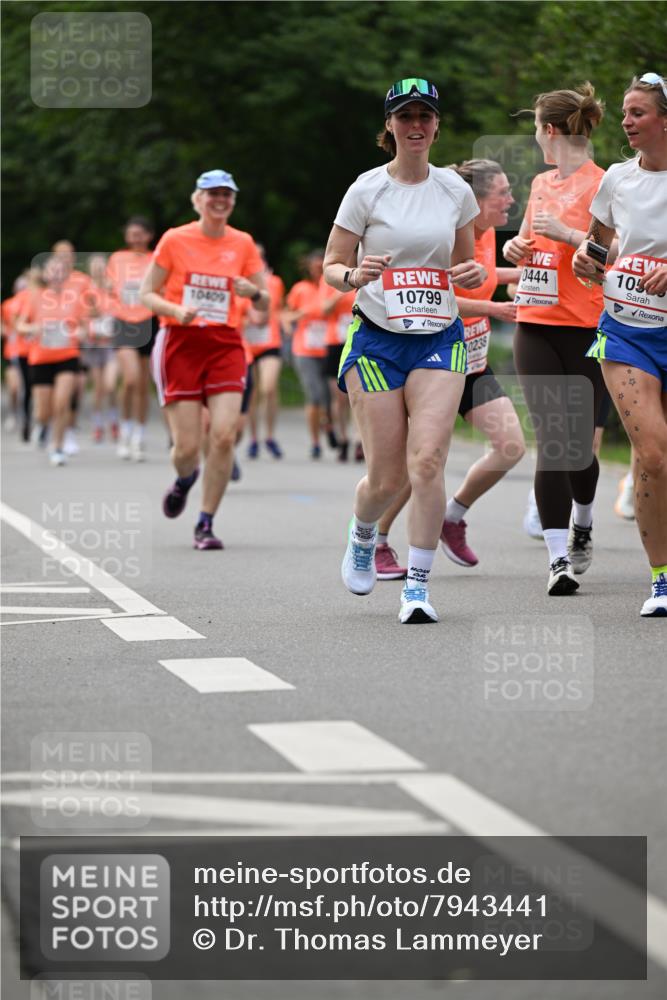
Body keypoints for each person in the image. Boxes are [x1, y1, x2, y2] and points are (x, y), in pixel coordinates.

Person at [323, 77, 484, 623]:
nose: (416, 125)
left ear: (437, 126)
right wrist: (351, 274)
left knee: (429, 460)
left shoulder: (455, 191)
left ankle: (417, 585)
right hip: (376, 339)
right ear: (389, 126)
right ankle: (364, 532)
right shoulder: (365, 189)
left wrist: (476, 272)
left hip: (439, 338)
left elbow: (466, 268)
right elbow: (331, 266)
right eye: (405, 116)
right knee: (387, 477)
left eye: (425, 116)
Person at [370, 159, 525, 577]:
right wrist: (493, 307)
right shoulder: (438, 236)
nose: (510, 200)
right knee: (419, 463)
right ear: (472, 202)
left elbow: (488, 274)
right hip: (432, 357)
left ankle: (451, 516)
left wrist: (531, 272)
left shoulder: (488, 234)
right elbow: (431, 295)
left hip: (472, 362)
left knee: (510, 445)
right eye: (502, 193)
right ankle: (377, 541)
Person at [504, 82, 607, 595]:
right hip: (535, 321)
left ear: (549, 130)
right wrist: (517, 247)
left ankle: (584, 522)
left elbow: (615, 256)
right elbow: (527, 242)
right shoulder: (542, 183)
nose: (535, 139)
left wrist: (568, 235)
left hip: (586, 326)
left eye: (535, 130)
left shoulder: (604, 184)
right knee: (552, 441)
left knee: (579, 447)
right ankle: (557, 560)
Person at [573, 72, 667, 616]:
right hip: (627, 328)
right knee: (652, 454)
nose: (626, 122)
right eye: (627, 113)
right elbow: (596, 245)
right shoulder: (617, 178)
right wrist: (587, 262)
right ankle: (661, 578)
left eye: (638, 113)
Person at [140, 169, 268, 550]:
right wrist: (175, 310)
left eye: (226, 194)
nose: (219, 200)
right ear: (197, 199)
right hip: (179, 341)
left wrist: (253, 292)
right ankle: (183, 480)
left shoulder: (242, 242)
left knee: (225, 436)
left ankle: (205, 522)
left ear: (233, 201)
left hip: (225, 343)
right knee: (187, 448)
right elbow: (147, 293)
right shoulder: (175, 239)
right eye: (212, 193)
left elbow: (265, 300)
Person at [16, 255, 85, 465]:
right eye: (52, 271)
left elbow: (83, 325)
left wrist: (81, 332)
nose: (56, 274)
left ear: (66, 274)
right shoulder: (35, 297)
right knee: (43, 411)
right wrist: (34, 328)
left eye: (61, 271)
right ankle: (42, 425)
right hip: (41, 357)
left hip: (67, 355)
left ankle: (57, 446)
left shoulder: (75, 298)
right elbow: (20, 326)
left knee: (62, 402)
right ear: (46, 274)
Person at [107, 217, 156, 461]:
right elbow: (107, 288)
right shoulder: (117, 259)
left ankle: (138, 434)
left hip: (149, 320)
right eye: (131, 233)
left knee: (143, 384)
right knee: (130, 379)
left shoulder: (156, 258)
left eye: (140, 233)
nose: (135, 237)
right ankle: (124, 429)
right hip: (124, 321)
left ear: (149, 236)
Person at [285, 250, 330, 458]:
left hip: (329, 347)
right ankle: (315, 442)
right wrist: (298, 316)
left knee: (329, 396)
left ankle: (329, 425)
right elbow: (286, 317)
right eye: (315, 267)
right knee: (313, 395)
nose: (318, 271)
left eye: (322, 268)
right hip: (305, 350)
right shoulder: (300, 289)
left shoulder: (332, 286)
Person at [243, 245, 286, 459]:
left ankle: (270, 436)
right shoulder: (239, 281)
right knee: (250, 392)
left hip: (270, 341)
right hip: (247, 343)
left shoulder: (274, 282)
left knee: (268, 388)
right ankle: (253, 438)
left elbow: (267, 313)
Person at [84, 254, 119, 443]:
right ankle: (98, 425)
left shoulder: (113, 287)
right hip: (93, 342)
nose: (98, 270)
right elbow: (80, 313)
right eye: (94, 267)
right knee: (98, 388)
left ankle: (114, 419)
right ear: (90, 270)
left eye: (100, 266)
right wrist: (93, 312)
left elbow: (122, 309)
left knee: (110, 385)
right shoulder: (86, 290)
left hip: (111, 342)